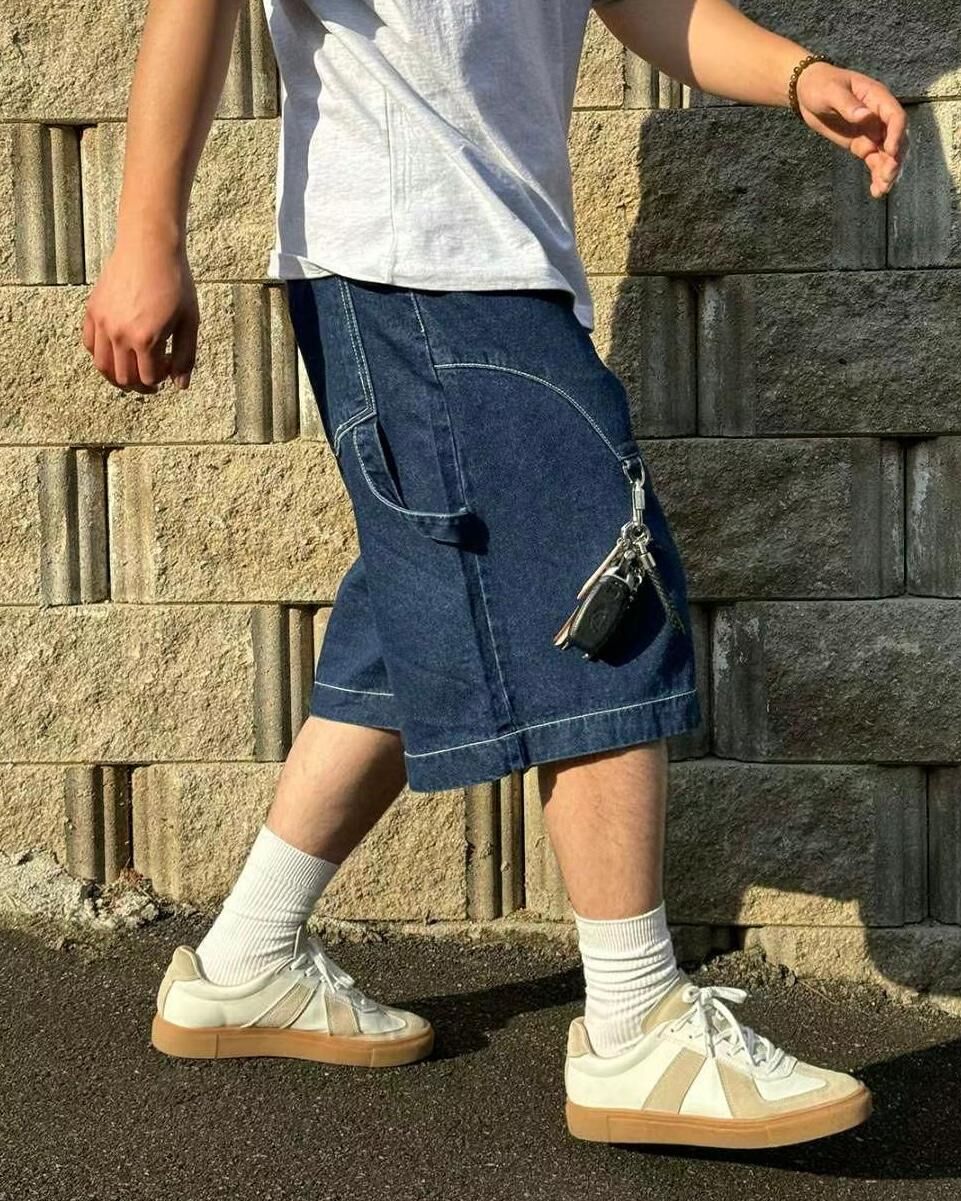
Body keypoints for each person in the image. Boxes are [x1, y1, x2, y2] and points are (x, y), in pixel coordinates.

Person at [82, 0, 907, 1150]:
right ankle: (635, 1026)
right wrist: (145, 234)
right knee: (601, 592)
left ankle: (247, 957)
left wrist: (795, 72)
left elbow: (651, 5)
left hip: (485, 267)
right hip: (413, 264)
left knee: (423, 609)